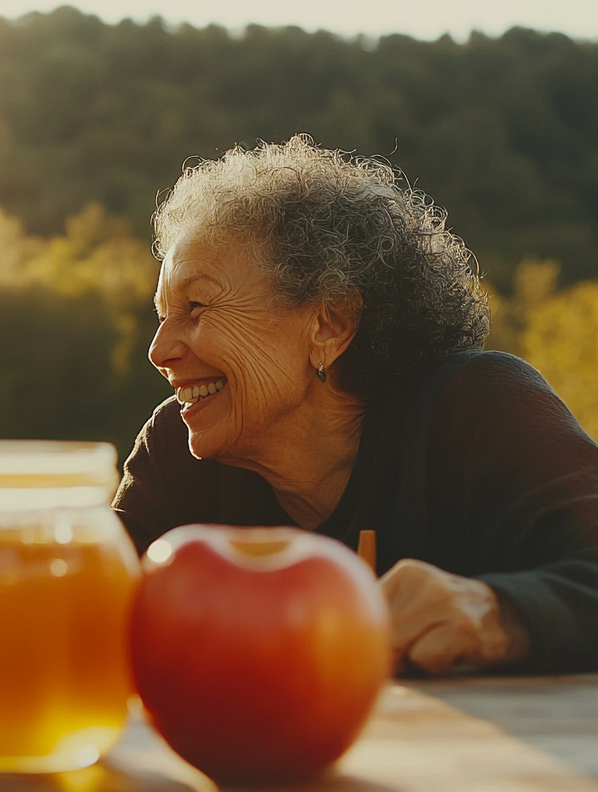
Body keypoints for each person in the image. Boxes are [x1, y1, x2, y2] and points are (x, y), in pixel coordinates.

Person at [112, 135, 598, 675]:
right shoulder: (176, 452)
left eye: (196, 306)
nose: (159, 351)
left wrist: (499, 614)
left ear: (329, 325)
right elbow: (89, 608)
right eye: (163, 314)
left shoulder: (477, 409)